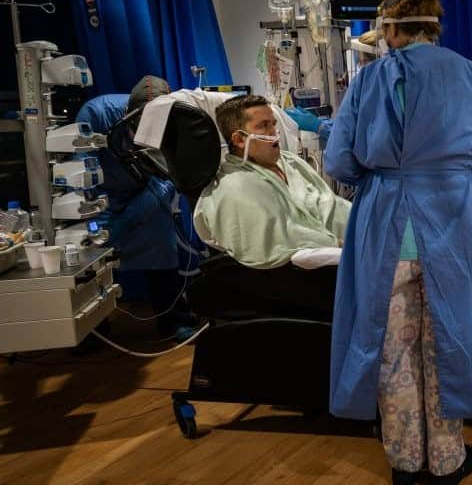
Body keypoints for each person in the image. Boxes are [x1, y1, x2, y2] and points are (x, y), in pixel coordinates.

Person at [324, 0, 472, 485]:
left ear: (389, 28)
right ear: (435, 26)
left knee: (393, 349)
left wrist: (388, 171)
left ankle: (406, 459)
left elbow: (340, 161)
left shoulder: (367, 83)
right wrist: (456, 170)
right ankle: (447, 461)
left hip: (385, 227)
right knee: (448, 343)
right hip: (453, 224)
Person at [76, 75, 196, 340]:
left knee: (163, 249)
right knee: (91, 257)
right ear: (127, 112)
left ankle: (172, 323)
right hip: (100, 197)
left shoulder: (175, 124)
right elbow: (81, 171)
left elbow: (167, 179)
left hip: (146, 195)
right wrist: (95, 212)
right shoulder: (96, 114)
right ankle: (93, 331)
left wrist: (128, 219)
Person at [193, 94, 351, 270]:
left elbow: (331, 203)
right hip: (316, 271)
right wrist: (337, 243)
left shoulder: (291, 162)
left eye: (274, 124)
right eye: (263, 126)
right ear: (239, 139)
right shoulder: (232, 186)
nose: (274, 132)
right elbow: (272, 237)